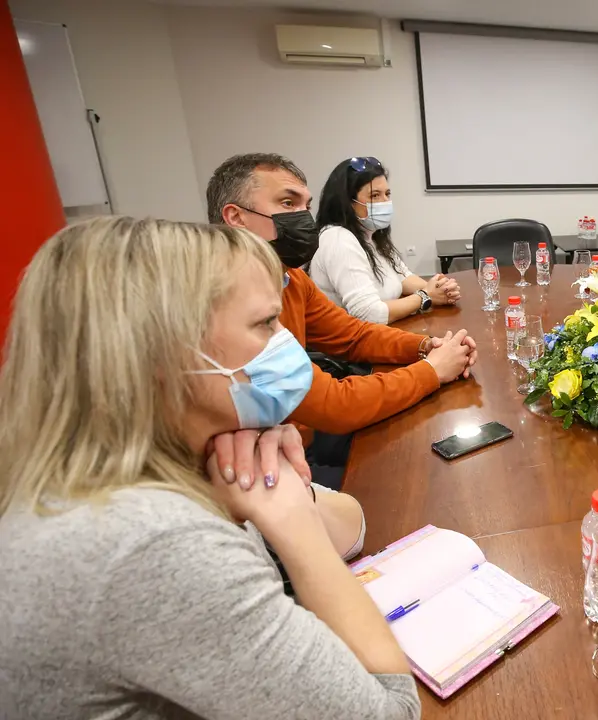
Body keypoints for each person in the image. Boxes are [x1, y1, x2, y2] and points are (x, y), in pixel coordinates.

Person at [0, 217, 420, 719]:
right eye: (267, 324)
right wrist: (295, 529)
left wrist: (287, 491)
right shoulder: (153, 544)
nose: (289, 343)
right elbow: (389, 713)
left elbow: (352, 525)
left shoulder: (144, 477)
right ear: (164, 355)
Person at [207, 153, 476, 486]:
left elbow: (353, 335)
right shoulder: (230, 302)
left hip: (300, 441)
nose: (304, 218)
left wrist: (425, 346)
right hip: (271, 473)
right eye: (288, 203)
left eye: (305, 206)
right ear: (236, 217)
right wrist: (433, 370)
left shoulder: (289, 278)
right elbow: (334, 405)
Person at [311, 156, 461, 324]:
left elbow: (402, 277)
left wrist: (441, 290)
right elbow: (369, 314)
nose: (385, 202)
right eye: (375, 195)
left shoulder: (371, 235)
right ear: (347, 203)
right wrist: (426, 296)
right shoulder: (338, 240)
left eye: (387, 194)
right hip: (352, 345)